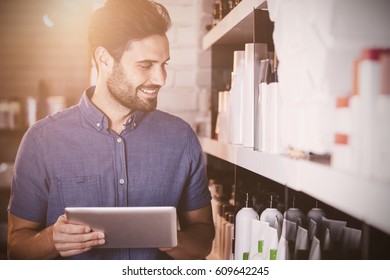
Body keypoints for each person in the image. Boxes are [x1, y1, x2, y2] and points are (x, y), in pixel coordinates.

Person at [7, 0, 214, 260]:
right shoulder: (41, 140)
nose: (161, 79)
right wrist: (51, 239)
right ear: (104, 59)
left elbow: (203, 236)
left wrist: (168, 238)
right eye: (146, 65)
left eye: (164, 64)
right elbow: (16, 247)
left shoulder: (181, 138)